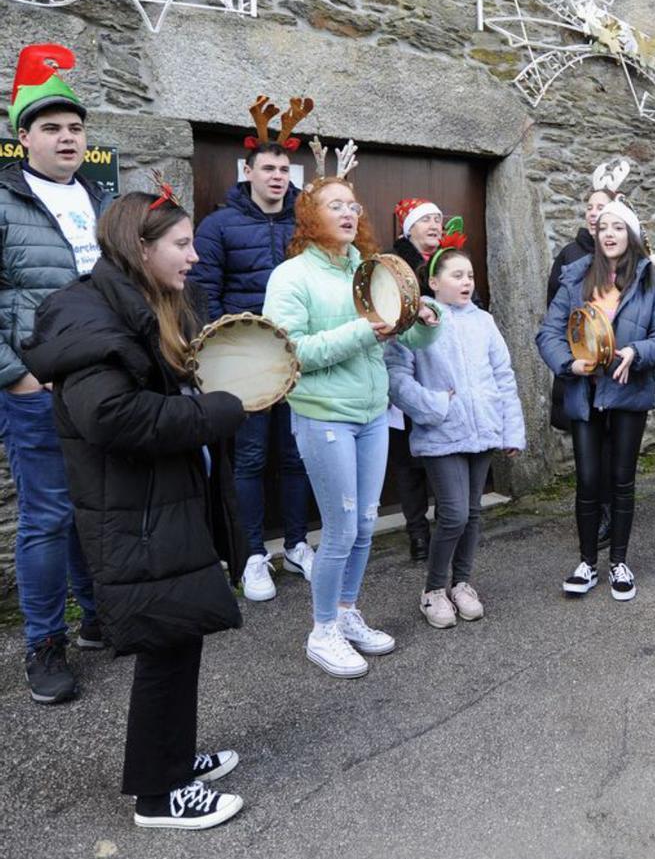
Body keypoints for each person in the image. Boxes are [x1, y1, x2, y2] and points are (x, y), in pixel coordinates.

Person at [23, 189, 248, 829]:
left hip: (160, 499)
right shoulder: (86, 315)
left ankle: (173, 759)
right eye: (182, 245)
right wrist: (219, 410)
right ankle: (159, 795)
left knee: (178, 636)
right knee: (165, 642)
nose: (196, 257)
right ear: (139, 248)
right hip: (135, 510)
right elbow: (112, 417)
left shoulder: (140, 302)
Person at [264, 170, 437, 678]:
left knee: (364, 525)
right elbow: (289, 351)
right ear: (310, 216)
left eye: (352, 205)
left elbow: (403, 340)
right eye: (334, 205)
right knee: (340, 528)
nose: (348, 213)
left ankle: (345, 613)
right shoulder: (292, 276)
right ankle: (322, 631)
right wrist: (362, 332)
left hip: (372, 413)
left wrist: (424, 319)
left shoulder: (368, 267)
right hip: (324, 415)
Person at [1, 43, 108, 704]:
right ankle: (45, 642)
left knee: (93, 509)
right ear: (23, 138)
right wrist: (14, 374)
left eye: (74, 127)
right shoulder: (6, 200)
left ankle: (98, 618)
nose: (66, 136)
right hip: (36, 389)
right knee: (46, 516)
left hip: (100, 386)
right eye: (51, 127)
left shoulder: (98, 198)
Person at [192, 122, 314, 601]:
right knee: (250, 457)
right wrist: (227, 350)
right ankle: (252, 557)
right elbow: (204, 293)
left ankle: (299, 544)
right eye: (268, 168)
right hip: (244, 361)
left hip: (297, 355)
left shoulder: (304, 224)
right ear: (248, 172)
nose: (277, 176)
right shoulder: (219, 225)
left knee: (294, 455)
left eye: (284, 169)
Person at [537, 198, 655, 601]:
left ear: (631, 235)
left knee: (621, 481)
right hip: (585, 393)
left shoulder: (652, 282)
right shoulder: (575, 278)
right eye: (604, 228)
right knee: (587, 481)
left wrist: (637, 354)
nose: (610, 234)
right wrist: (569, 365)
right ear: (596, 236)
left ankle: (618, 562)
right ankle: (586, 563)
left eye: (619, 227)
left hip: (628, 394)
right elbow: (548, 333)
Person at [386, 228, 525, 628]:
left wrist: (510, 430)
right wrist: (434, 405)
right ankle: (433, 591)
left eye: (469, 276)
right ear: (433, 282)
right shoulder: (419, 320)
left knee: (473, 512)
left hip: (483, 432)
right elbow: (396, 376)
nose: (466, 282)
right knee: (453, 515)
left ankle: (462, 584)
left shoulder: (484, 321)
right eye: (456, 275)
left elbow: (504, 375)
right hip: (441, 432)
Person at [545, 157, 633, 547]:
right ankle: (594, 519)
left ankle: (615, 516)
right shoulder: (570, 258)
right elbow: (556, 315)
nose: (596, 214)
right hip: (584, 371)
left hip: (620, 376)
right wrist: (572, 357)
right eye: (591, 208)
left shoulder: (636, 264)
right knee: (589, 459)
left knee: (618, 454)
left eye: (604, 208)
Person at [388, 196, 446, 560]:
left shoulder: (449, 262)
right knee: (408, 459)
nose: (436, 225)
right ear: (410, 228)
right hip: (405, 364)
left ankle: (446, 527)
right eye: (427, 220)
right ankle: (418, 533)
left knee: (442, 451)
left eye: (439, 219)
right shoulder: (394, 265)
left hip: (440, 367)